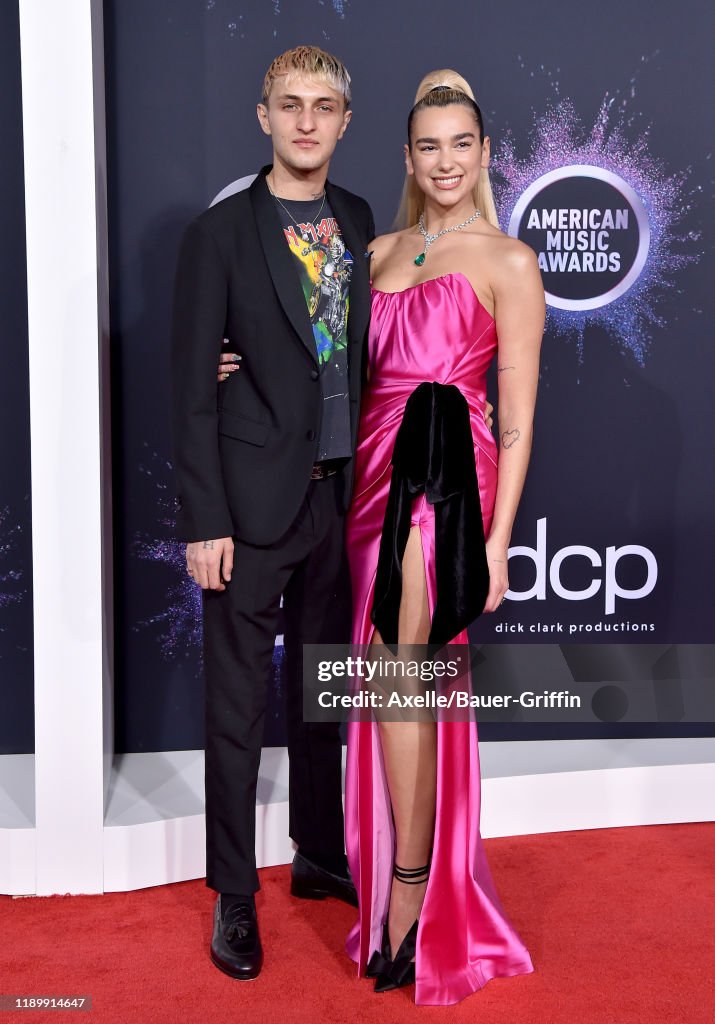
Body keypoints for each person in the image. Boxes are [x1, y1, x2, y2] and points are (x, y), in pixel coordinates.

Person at [169, 45, 374, 981]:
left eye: (322, 107)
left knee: (325, 694)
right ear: (263, 117)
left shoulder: (361, 220)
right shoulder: (218, 235)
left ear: (342, 121)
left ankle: (319, 853)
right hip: (248, 511)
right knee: (238, 708)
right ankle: (233, 893)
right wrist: (203, 520)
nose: (304, 122)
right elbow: (190, 392)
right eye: (288, 105)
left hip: (341, 497)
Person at [341, 70, 545, 1005]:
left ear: (484, 152)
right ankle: (407, 876)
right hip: (368, 484)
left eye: (461, 143)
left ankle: (409, 894)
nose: (446, 160)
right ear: (409, 157)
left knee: (395, 668)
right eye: (429, 145)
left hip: (443, 488)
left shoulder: (509, 261)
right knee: (394, 680)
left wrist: (498, 539)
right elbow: (330, 370)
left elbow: (513, 420)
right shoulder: (375, 251)